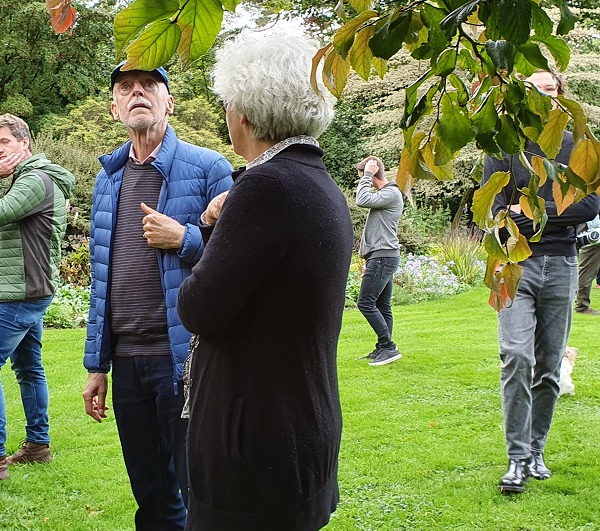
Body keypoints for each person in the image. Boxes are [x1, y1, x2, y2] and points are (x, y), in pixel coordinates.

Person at [176, 32, 350, 530]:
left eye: (227, 103)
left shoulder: (265, 187)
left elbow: (200, 308)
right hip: (300, 424)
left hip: (255, 441)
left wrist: (207, 232)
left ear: (246, 113)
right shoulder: (318, 184)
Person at [81, 61, 233, 530]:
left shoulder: (210, 168)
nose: (137, 92)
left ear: (170, 101)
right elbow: (101, 277)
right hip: (128, 364)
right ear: (114, 108)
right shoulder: (107, 179)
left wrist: (185, 238)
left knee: (201, 490)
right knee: (150, 495)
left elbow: (237, 264)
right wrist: (96, 365)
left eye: (150, 85)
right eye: (126, 87)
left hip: (187, 358)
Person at [481, 69, 600, 494]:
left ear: (560, 97)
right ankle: (515, 459)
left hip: (563, 264)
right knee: (516, 356)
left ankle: (535, 451)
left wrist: (529, 210)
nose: (545, 96)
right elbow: (494, 209)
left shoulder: (576, 147)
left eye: (551, 89)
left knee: (548, 368)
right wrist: (549, 206)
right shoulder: (503, 148)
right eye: (535, 90)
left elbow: (590, 205)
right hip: (514, 264)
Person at [0, 114, 76, 485]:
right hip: (29, 289)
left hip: (19, 293)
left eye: (5, 143)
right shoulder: (26, 179)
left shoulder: (33, 179)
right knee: (28, 368)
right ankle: (37, 446)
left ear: (24, 143)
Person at [354, 155, 403, 366]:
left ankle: (389, 347)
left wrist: (367, 175)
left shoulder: (391, 193)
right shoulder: (386, 195)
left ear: (373, 175)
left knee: (365, 302)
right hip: (383, 256)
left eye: (363, 177)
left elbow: (361, 200)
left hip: (383, 256)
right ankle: (383, 347)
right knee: (383, 305)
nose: (362, 181)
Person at [573, 199, 600, 315]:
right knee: (586, 273)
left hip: (588, 237)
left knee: (586, 272)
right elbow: (594, 219)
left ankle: (579, 303)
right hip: (591, 238)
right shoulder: (594, 198)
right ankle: (582, 305)